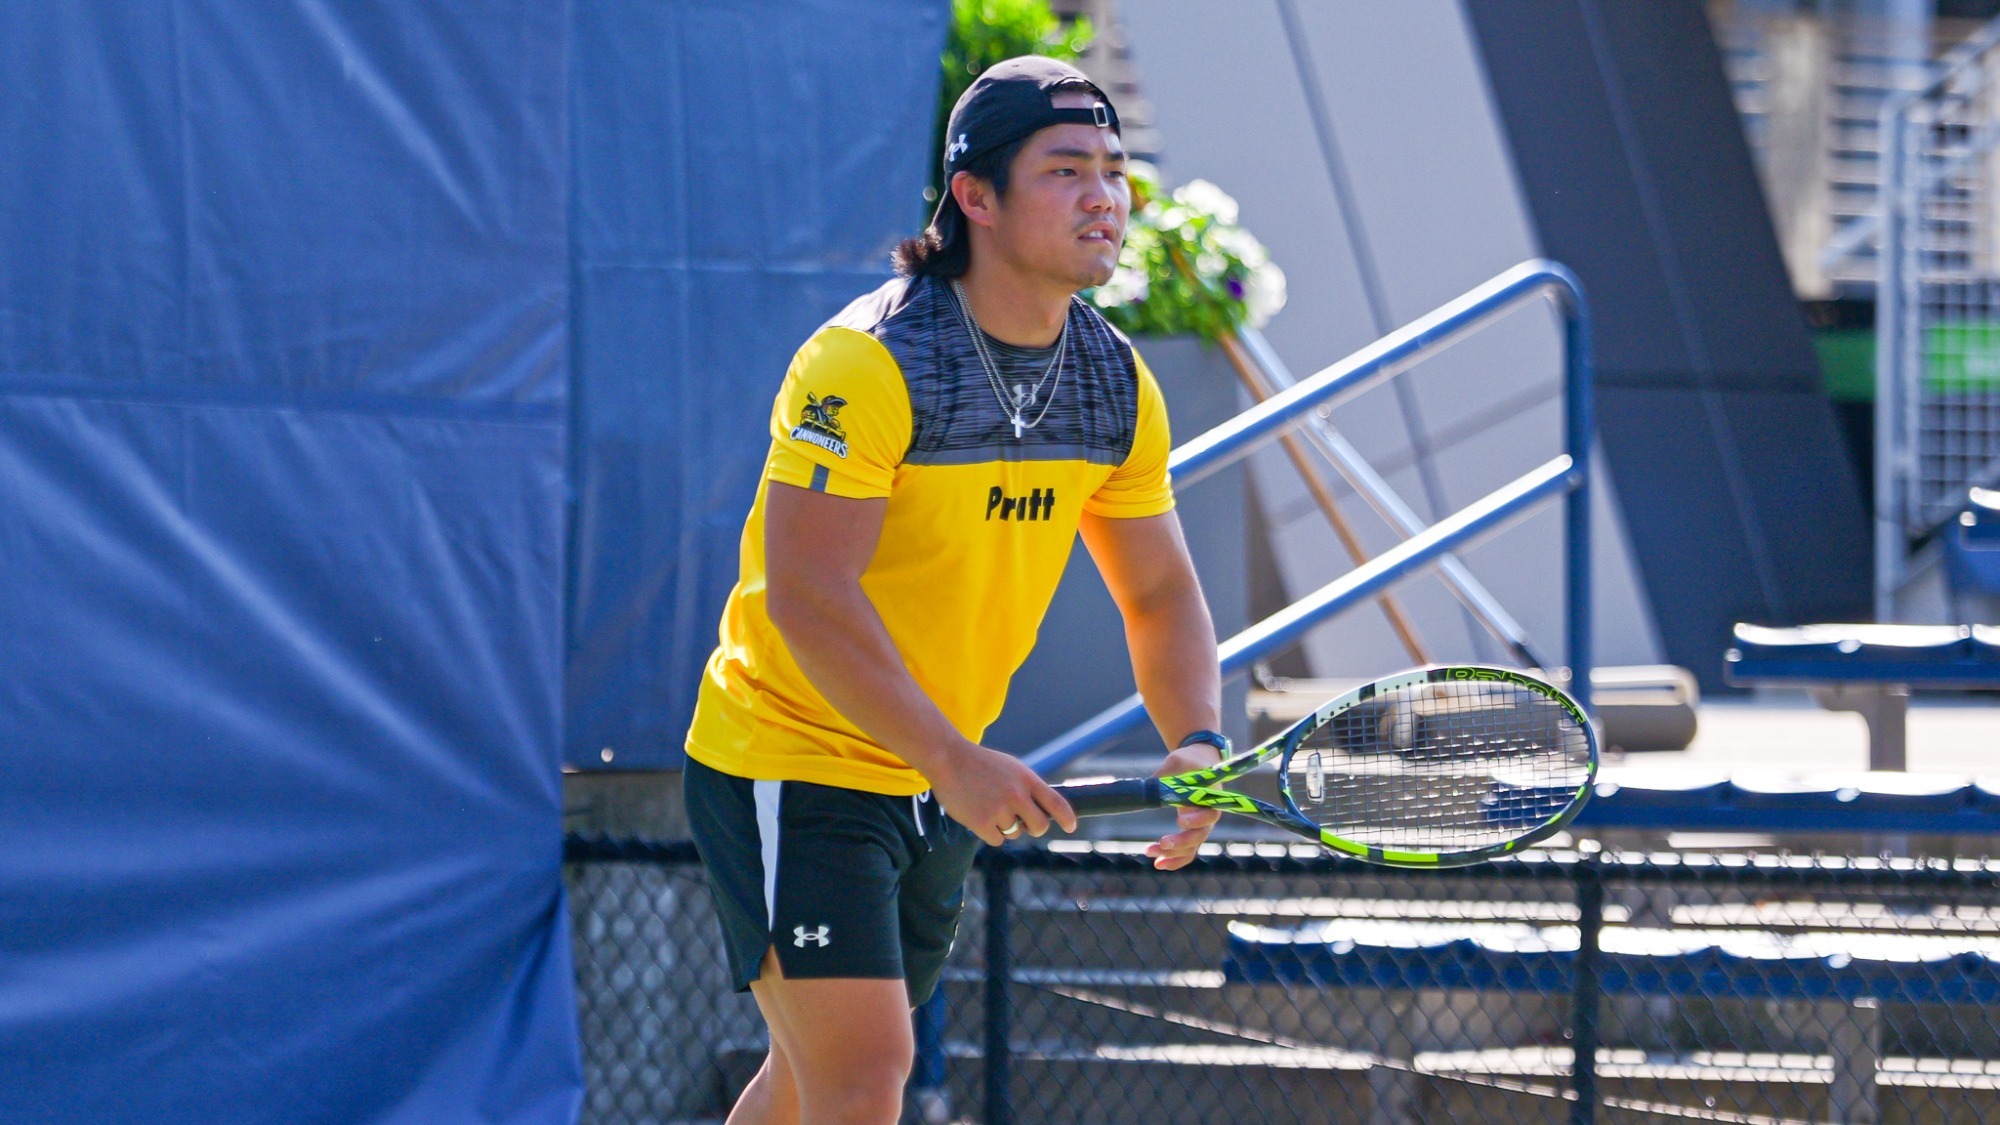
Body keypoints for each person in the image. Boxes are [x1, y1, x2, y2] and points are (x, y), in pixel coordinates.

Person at [683, 56, 1230, 1125]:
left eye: (1113, 171)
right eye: (1065, 169)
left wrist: (1197, 736)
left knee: (809, 1081)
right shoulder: (864, 363)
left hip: (936, 779)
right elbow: (807, 596)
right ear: (973, 197)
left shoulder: (1116, 381)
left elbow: (1158, 594)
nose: (1103, 198)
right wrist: (954, 760)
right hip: (791, 755)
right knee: (866, 1068)